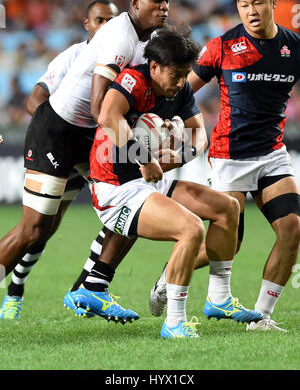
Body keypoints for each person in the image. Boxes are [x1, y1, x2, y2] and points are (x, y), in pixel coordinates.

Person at [0, 0, 171, 323]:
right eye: (157, 0)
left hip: (93, 135)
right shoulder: (120, 38)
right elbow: (98, 109)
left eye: (167, 0)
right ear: (135, 3)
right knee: (34, 229)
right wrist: (142, 153)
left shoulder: (150, 39)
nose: (165, 7)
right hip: (59, 131)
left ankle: (91, 289)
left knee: (133, 201)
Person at [72, 28, 263, 339]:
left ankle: (219, 298)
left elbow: (199, 136)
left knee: (228, 208)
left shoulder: (178, 89)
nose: (180, 82)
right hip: (116, 189)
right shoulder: (133, 81)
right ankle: (174, 321)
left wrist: (171, 157)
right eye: (175, 74)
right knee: (191, 229)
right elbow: (107, 115)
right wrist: (144, 158)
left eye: (185, 74)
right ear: (155, 67)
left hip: (149, 183)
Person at [150, 0, 300, 332]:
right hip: (229, 155)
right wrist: (164, 123)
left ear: (273, 5)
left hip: (272, 154)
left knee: (293, 228)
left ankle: (261, 317)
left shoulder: (293, 46)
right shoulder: (222, 46)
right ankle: (167, 278)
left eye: (258, 3)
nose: (251, 10)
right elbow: (183, 90)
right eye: (244, 4)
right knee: (228, 244)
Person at [0, 0, 119, 319]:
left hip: (92, 148)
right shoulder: (75, 55)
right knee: (40, 229)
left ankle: (85, 288)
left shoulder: (124, 58)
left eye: (112, 20)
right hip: (57, 143)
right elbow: (34, 100)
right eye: (99, 20)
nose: (106, 26)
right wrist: (50, 136)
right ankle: (14, 289)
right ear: (87, 24)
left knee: (126, 208)